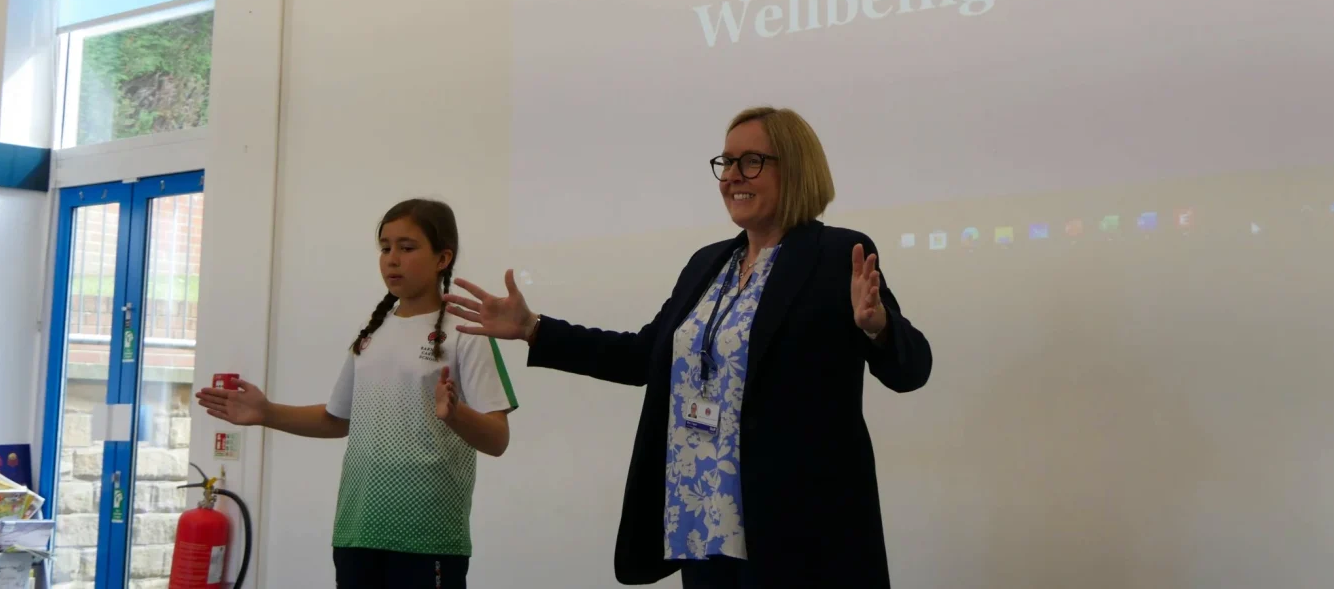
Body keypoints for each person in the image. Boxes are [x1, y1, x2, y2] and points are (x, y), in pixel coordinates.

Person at [445, 107, 932, 589]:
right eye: (726, 162)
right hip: (699, 512)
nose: (732, 177)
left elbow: (912, 369)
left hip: (797, 524)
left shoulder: (835, 254)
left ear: (796, 167)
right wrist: (534, 328)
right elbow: (642, 357)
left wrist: (878, 327)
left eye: (751, 161)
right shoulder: (709, 263)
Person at [196, 199, 519, 589]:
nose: (392, 259)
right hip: (356, 531)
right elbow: (337, 419)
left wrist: (455, 415)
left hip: (428, 537)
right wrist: (266, 412)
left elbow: (498, 439)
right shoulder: (371, 335)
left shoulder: (466, 334)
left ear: (442, 258)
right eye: (385, 248)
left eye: (407, 247)